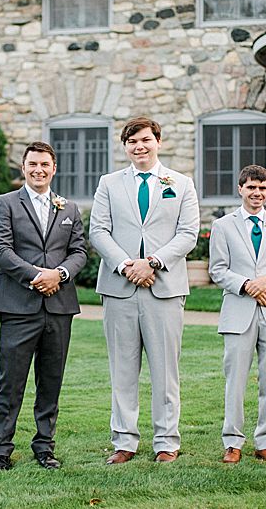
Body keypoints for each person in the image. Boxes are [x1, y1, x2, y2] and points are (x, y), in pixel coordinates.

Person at [90, 117, 199, 464]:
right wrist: (126, 265)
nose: (140, 146)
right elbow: (99, 231)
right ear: (125, 147)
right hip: (119, 287)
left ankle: (167, 441)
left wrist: (151, 262)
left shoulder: (181, 183)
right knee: (122, 368)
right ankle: (124, 441)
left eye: (146, 140)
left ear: (158, 142)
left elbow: (188, 233)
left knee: (166, 370)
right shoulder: (109, 184)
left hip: (164, 287)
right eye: (132, 141)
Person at [0, 142, 88, 471]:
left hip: (59, 307)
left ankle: (44, 446)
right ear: (23, 167)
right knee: (11, 381)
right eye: (33, 164)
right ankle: (1, 449)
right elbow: (0, 250)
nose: (39, 170)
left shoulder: (69, 208)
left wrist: (59, 274)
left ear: (54, 168)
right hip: (18, 306)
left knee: (51, 380)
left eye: (45, 164)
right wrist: (36, 276)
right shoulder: (5, 204)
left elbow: (80, 252)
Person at [208, 165, 266, 464]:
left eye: (262, 188)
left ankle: (265, 442)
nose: (257, 194)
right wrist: (247, 285)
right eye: (251, 188)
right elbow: (218, 270)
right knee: (235, 380)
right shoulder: (223, 226)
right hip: (238, 312)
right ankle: (232, 442)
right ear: (240, 189)